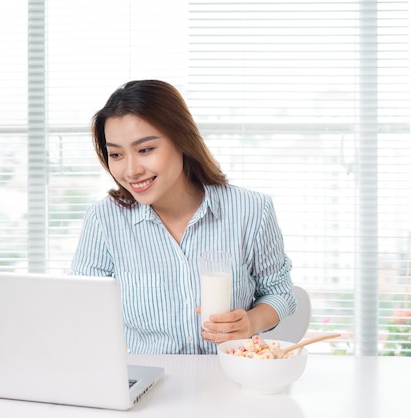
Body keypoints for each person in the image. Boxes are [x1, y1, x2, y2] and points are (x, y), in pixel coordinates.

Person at [70, 80, 296, 355]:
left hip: (229, 376)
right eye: (116, 154)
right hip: (149, 380)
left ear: (182, 139)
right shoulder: (103, 220)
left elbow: (280, 293)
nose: (131, 170)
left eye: (145, 150)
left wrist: (250, 322)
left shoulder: (251, 210)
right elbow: (83, 310)